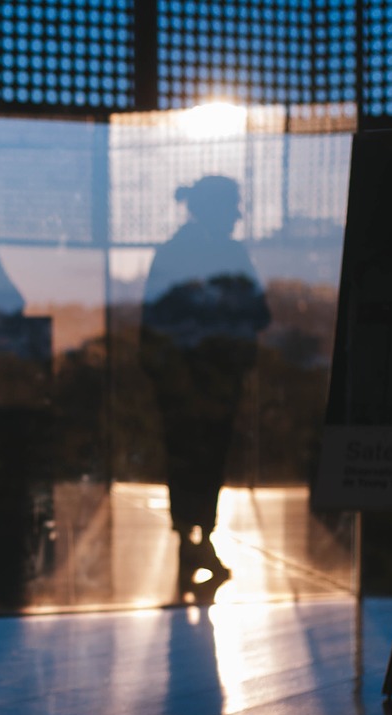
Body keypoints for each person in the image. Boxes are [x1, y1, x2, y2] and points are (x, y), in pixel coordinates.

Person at [139, 175, 270, 605]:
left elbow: (258, 310)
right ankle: (194, 538)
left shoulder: (201, 252)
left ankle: (196, 538)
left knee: (200, 459)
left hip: (201, 380)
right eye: (231, 205)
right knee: (197, 458)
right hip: (192, 381)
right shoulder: (203, 253)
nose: (237, 214)